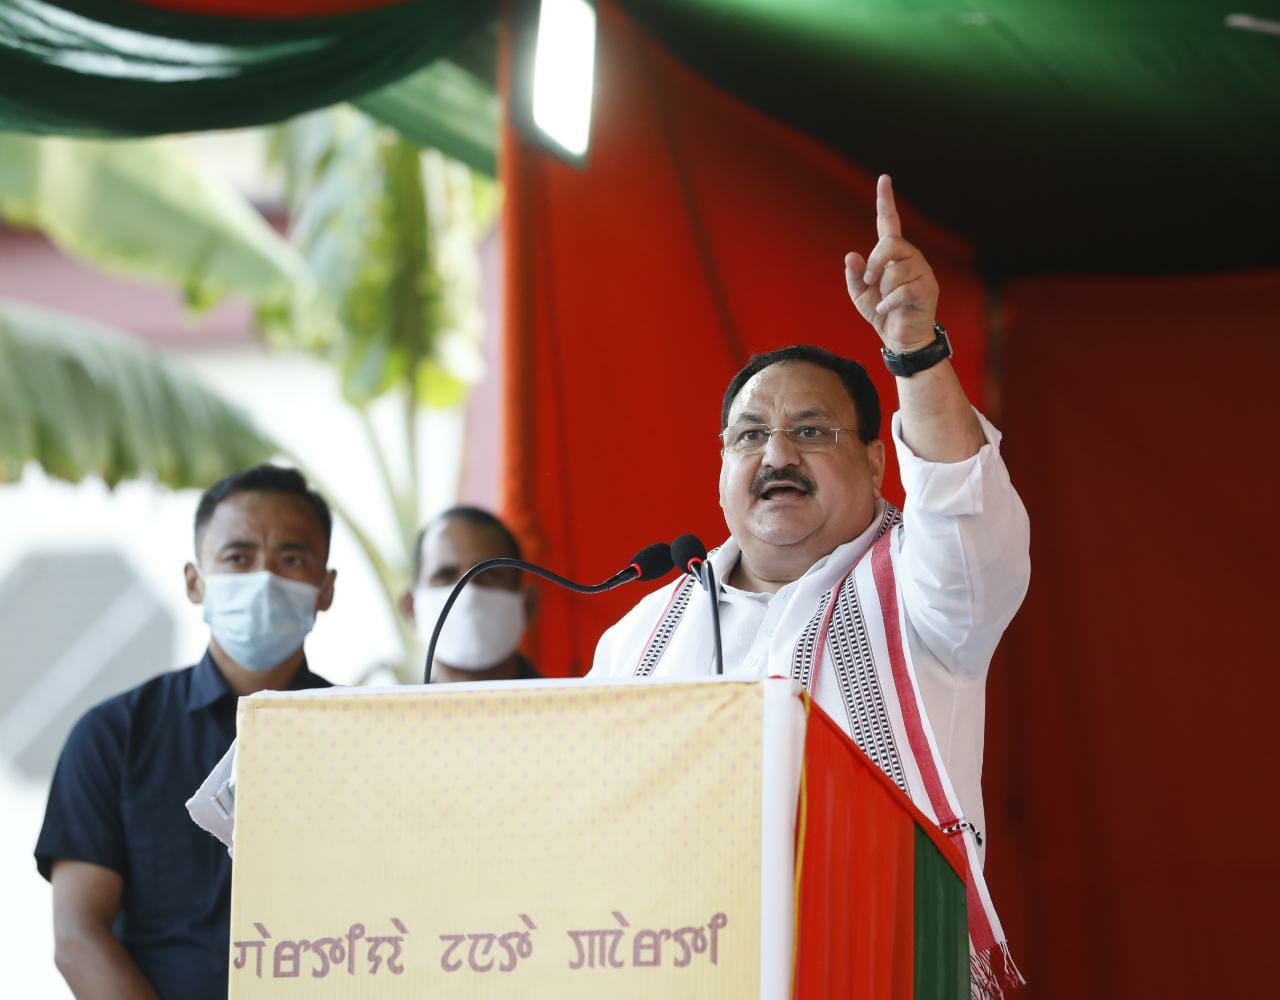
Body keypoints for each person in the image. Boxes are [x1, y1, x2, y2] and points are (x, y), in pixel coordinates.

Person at [590, 176, 1029, 995]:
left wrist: (914, 349)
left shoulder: (928, 588)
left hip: (881, 961)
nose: (777, 456)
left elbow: (966, 508)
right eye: (749, 435)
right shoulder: (638, 636)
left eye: (812, 432)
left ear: (874, 458)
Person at [34, 465, 337, 999]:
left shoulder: (367, 738)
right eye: (238, 557)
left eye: (291, 558)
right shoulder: (113, 736)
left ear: (325, 588)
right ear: (195, 582)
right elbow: (78, 937)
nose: (264, 578)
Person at [401, 506, 540, 683]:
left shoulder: (578, 709)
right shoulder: (391, 711)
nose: (468, 593)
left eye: (489, 574)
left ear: (528, 605)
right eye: (446, 575)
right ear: (411, 608)